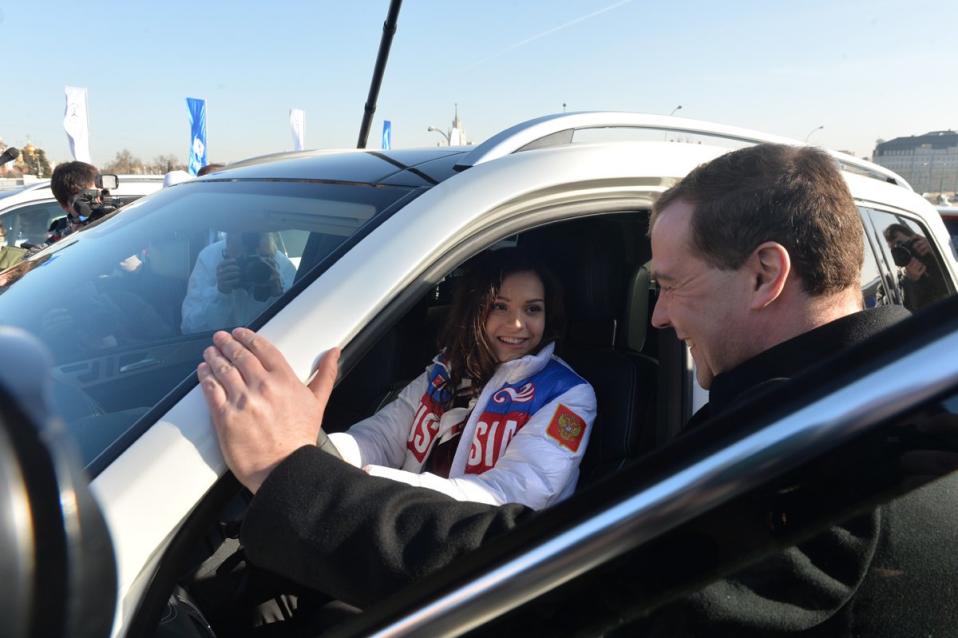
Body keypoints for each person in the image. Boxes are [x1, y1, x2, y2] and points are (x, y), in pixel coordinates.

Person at [197, 143, 927, 634]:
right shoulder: (834, 404)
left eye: (669, 285)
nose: (662, 317)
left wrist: (300, 476)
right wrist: (324, 450)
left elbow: (555, 576)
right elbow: (389, 430)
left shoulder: (837, 451)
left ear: (766, 275)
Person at [325, 249, 594, 507]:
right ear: (475, 310)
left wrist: (386, 483)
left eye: (532, 309)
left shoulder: (567, 394)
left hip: (493, 541)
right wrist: (328, 452)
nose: (517, 324)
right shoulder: (448, 368)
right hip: (410, 516)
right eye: (500, 306)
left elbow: (514, 493)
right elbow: (383, 435)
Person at [180, 232, 296, 334]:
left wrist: (280, 296)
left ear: (272, 253)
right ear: (226, 247)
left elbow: (298, 326)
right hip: (217, 347)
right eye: (242, 260)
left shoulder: (282, 266)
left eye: (261, 258)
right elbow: (190, 329)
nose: (251, 266)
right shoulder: (209, 259)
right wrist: (220, 293)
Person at [882, 222, 949, 312]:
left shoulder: (936, 253)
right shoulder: (902, 278)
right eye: (893, 249)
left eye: (900, 244)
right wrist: (910, 281)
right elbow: (907, 311)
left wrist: (937, 251)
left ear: (915, 239)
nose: (900, 251)